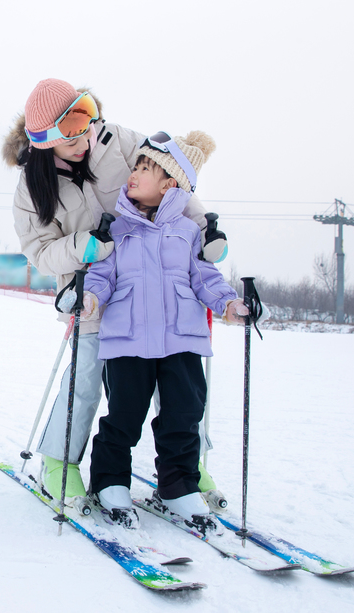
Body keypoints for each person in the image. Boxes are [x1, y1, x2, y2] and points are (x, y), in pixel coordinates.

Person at [3, 79, 226, 502]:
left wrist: (204, 229)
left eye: (85, 117)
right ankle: (59, 461)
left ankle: (187, 465)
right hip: (95, 288)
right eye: (69, 129)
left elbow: (174, 180)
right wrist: (80, 247)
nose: (83, 135)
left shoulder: (119, 140)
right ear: (46, 138)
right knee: (87, 375)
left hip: (156, 281)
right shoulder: (32, 186)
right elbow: (38, 250)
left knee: (175, 381)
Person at [80, 130, 248, 533]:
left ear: (170, 184)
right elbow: (101, 273)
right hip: (128, 341)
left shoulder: (190, 233)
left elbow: (205, 276)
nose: (133, 173)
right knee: (124, 415)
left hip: (181, 339)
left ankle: (177, 486)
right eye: (135, 166)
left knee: (182, 416)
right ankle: (110, 482)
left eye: (144, 168)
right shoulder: (118, 230)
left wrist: (227, 302)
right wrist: (91, 296)